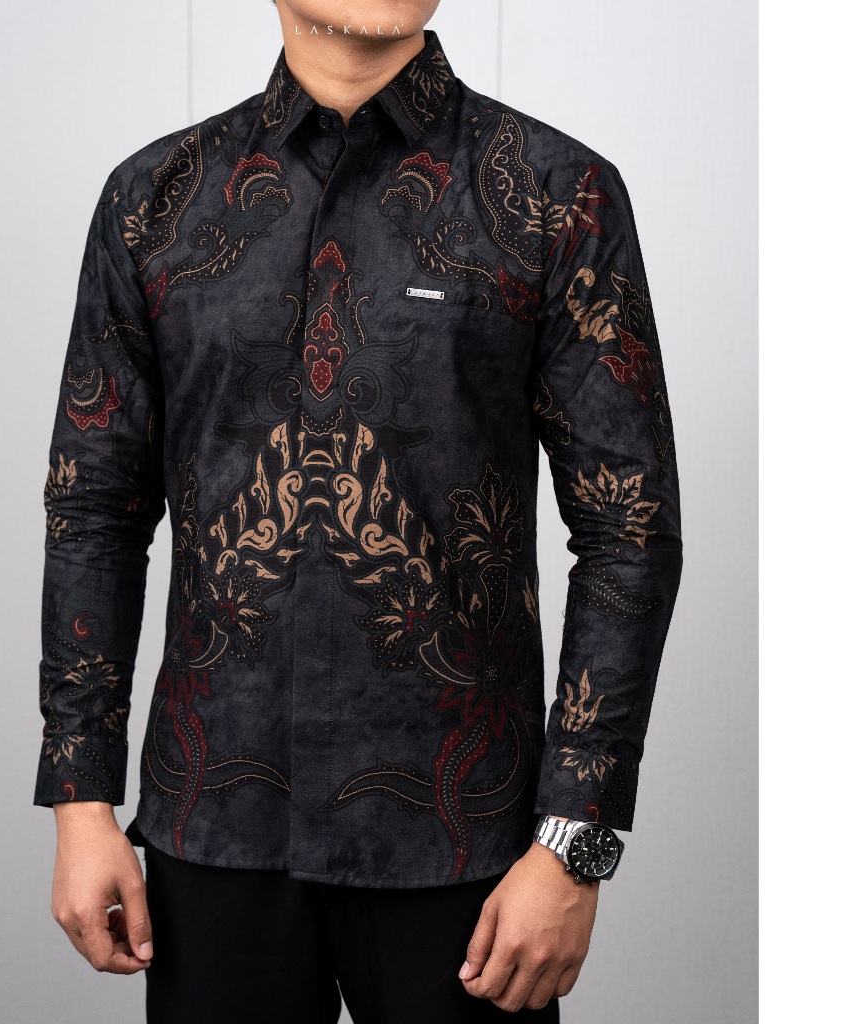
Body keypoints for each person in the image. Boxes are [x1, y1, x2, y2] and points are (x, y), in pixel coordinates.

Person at [34, 2, 683, 1020]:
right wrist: (81, 802)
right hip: (215, 822)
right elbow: (94, 511)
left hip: (466, 839)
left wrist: (575, 842)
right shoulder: (154, 200)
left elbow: (628, 530)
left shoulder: (555, 194)